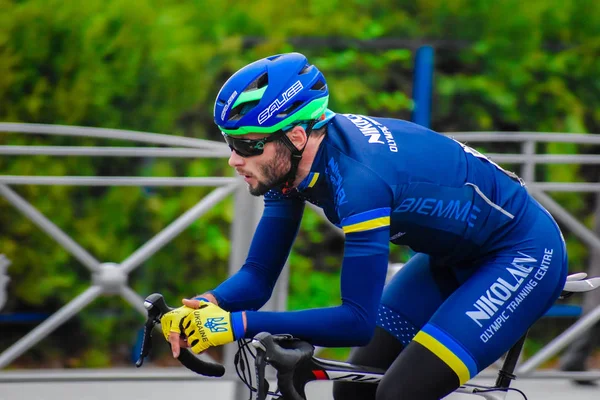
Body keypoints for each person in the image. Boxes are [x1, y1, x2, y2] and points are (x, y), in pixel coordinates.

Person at [160, 52, 569, 400]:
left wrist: (240, 324)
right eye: (230, 143)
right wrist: (208, 304)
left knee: (398, 394)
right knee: (353, 391)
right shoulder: (287, 167)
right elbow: (258, 277)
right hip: (451, 257)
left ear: (297, 135)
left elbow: (355, 321)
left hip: (521, 254)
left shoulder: (359, 181)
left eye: (248, 145)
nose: (234, 159)